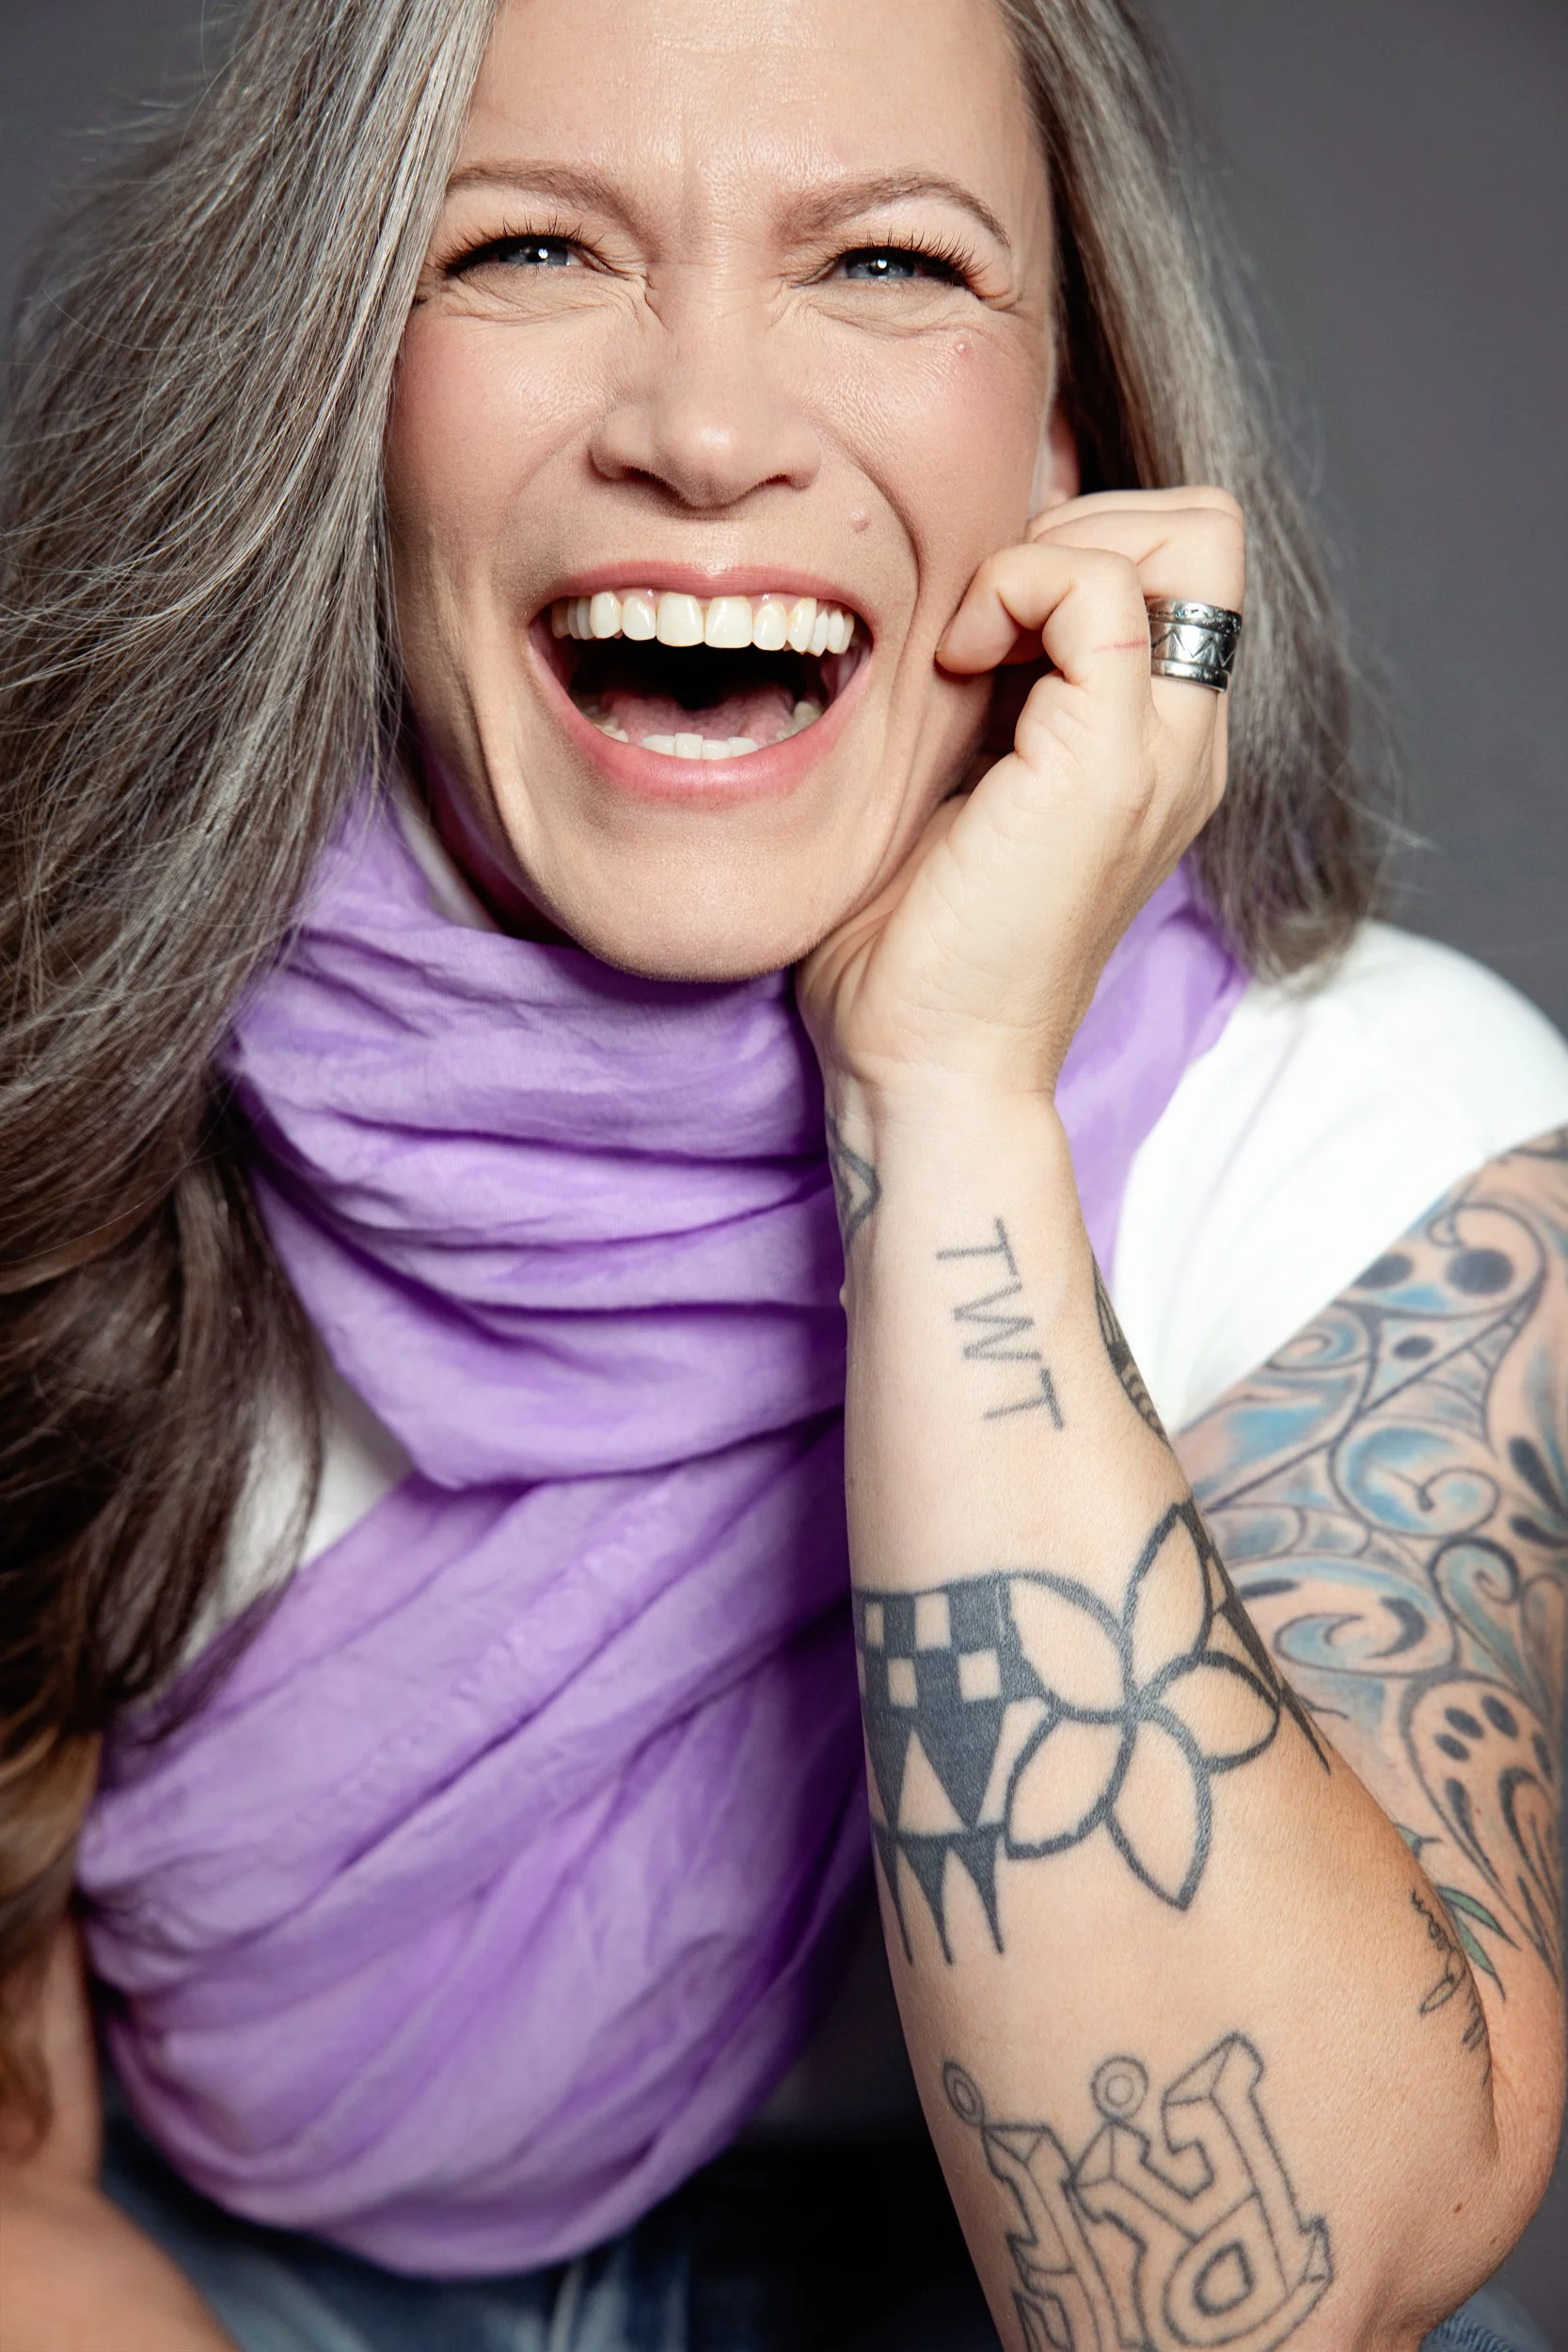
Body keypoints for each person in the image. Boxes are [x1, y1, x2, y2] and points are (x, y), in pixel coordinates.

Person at [1, 0, 1563, 2346]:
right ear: (335, 391)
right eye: (527, 249)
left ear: (1073, 442)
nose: (706, 432)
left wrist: (941, 1106)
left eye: (888, 269)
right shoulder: (75, 1076)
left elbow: (1241, 2302)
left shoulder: (1383, 1133)